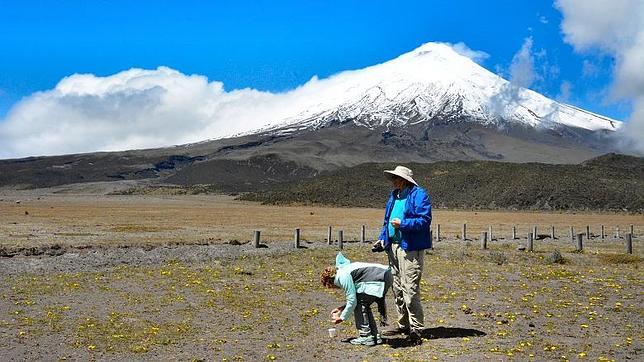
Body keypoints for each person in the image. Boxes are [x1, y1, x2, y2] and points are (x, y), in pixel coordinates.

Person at [372, 165, 431, 345]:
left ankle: (416, 329)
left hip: (410, 248)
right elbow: (386, 222)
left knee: (410, 289)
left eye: (395, 178)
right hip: (393, 247)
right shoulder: (394, 196)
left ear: (404, 180)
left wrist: (403, 224)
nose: (393, 181)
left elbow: (424, 220)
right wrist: (382, 239)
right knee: (397, 288)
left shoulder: (419, 195)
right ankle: (403, 324)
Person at [320, 252, 393, 346]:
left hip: (380, 277)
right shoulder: (344, 270)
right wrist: (341, 309)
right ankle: (374, 335)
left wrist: (341, 318)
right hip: (386, 274)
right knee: (363, 304)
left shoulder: (342, 276)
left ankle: (366, 336)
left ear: (330, 282)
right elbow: (355, 299)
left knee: (360, 304)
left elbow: (352, 301)